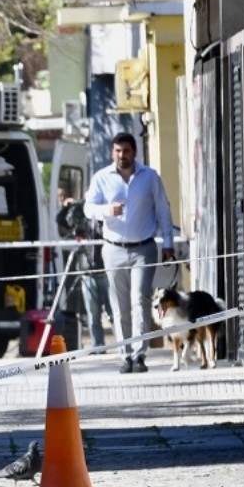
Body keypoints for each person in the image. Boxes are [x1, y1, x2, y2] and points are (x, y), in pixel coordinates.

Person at [83, 133, 175, 373]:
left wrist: (168, 243)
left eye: (125, 151)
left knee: (139, 300)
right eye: (117, 151)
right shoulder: (102, 178)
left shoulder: (150, 177)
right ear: (112, 152)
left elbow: (163, 209)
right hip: (113, 249)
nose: (121, 156)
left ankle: (139, 355)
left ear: (134, 152)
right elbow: (88, 208)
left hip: (143, 248)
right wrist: (107, 210)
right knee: (119, 305)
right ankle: (125, 356)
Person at [56, 198, 113, 348]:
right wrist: (67, 207)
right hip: (87, 272)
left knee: (114, 314)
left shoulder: (103, 216)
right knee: (93, 316)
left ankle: (123, 347)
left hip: (107, 273)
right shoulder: (80, 218)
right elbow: (61, 222)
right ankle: (97, 346)